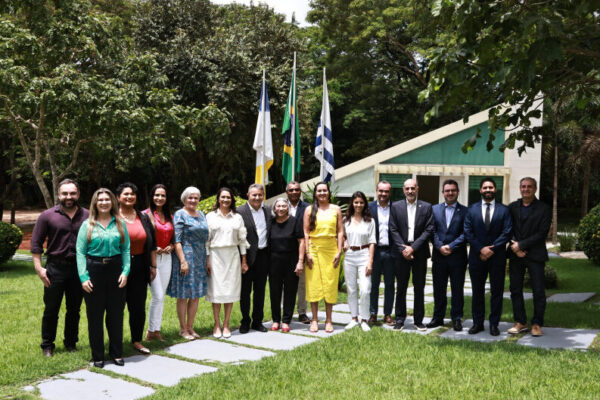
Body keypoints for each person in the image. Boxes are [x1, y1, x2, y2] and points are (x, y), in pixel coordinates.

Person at [31, 179, 89, 357]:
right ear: (58, 195)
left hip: (78, 269)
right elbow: (36, 244)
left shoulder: (87, 215)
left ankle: (71, 343)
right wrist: (39, 269)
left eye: (72, 193)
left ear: (78, 194)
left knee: (74, 309)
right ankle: (47, 345)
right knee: (51, 309)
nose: (69, 197)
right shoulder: (47, 216)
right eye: (65, 193)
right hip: (55, 269)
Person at [76, 188, 130, 368]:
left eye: (107, 199)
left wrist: (125, 272)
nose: (104, 202)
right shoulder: (87, 225)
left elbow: (126, 250)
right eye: (101, 200)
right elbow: (80, 252)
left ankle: (116, 353)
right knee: (95, 315)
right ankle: (98, 355)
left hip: (115, 271)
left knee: (116, 315)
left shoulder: (120, 223)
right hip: (94, 270)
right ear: (95, 203)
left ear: (112, 202)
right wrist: (84, 277)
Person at [464, 177, 512, 336]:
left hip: (497, 257)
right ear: (480, 190)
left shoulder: (504, 210)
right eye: (485, 188)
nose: (488, 190)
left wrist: (492, 249)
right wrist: (481, 249)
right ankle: (477, 323)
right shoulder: (471, 210)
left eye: (491, 187)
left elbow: (507, 232)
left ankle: (494, 324)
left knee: (496, 292)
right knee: (477, 291)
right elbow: (468, 232)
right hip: (477, 258)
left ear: (495, 190)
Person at [507, 177, 551, 337]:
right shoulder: (512, 207)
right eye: (523, 186)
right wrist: (516, 248)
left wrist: (522, 245)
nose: (526, 189)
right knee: (515, 289)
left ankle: (537, 324)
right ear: (520, 188)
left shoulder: (544, 209)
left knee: (538, 291)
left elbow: (542, 233)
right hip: (515, 255)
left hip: (536, 255)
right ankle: (520, 322)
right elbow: (507, 228)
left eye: (529, 186)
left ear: (535, 188)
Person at [116, 182, 157, 354]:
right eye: (126, 194)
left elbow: (152, 243)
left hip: (140, 265)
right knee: (116, 306)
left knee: (138, 306)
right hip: (117, 266)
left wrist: (153, 266)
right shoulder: (112, 217)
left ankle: (137, 340)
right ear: (118, 197)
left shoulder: (143, 217)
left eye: (132, 194)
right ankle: (115, 342)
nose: (129, 197)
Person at [389, 178, 434, 331]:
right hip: (401, 253)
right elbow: (393, 229)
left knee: (419, 287)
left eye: (412, 188)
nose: (410, 191)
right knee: (401, 287)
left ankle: (418, 320)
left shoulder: (427, 207)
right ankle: (400, 320)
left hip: (419, 253)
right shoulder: (395, 207)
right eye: (407, 188)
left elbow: (428, 230)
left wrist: (413, 248)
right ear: (403, 190)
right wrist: (404, 249)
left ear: (417, 189)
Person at [206, 187, 249, 338]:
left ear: (232, 200)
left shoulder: (237, 217)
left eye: (228, 197)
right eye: (223, 197)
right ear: (218, 199)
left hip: (232, 256)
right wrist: (207, 260)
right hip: (215, 256)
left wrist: (244, 261)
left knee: (230, 291)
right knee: (216, 292)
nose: (225, 200)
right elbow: (206, 241)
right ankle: (216, 324)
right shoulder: (210, 217)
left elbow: (242, 240)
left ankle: (226, 324)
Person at [167, 186, 209, 340]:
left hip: (200, 256)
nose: (193, 200)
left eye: (196, 198)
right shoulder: (180, 214)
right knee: (184, 294)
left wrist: (206, 260)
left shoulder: (202, 214)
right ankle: (182, 329)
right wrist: (183, 261)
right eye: (190, 197)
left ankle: (191, 327)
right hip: (185, 255)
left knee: (196, 294)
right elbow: (177, 240)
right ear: (184, 199)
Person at [303, 182, 344, 333]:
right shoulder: (309, 210)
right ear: (315, 193)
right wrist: (307, 252)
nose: (322, 193)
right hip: (313, 249)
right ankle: (314, 320)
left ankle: (328, 320)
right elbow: (306, 232)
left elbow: (340, 231)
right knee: (313, 284)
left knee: (330, 284)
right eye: (319, 191)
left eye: (324, 190)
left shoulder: (336, 209)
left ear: (328, 192)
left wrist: (339, 251)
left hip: (331, 249)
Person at [428, 179, 468, 331]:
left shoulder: (466, 211)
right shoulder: (434, 210)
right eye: (447, 190)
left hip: (457, 257)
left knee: (457, 289)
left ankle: (456, 318)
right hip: (439, 257)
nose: (450, 193)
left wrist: (451, 246)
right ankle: (438, 318)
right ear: (443, 192)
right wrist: (439, 246)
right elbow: (431, 231)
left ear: (458, 192)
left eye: (453, 190)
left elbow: (466, 233)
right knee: (439, 289)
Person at [238, 184, 272, 333]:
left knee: (260, 291)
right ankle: (245, 321)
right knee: (245, 291)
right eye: (254, 195)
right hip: (246, 257)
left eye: (260, 195)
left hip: (264, 256)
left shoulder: (268, 211)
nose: (257, 198)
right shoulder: (239, 212)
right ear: (248, 195)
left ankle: (257, 321)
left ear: (263, 195)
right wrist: (241, 260)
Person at [268, 198, 305, 332]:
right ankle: (276, 320)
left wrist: (300, 261)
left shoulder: (295, 221)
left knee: (290, 291)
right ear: (274, 208)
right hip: (273, 262)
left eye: (284, 206)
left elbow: (301, 242)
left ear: (288, 208)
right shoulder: (270, 222)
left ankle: (286, 321)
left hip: (291, 260)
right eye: (279, 206)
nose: (281, 208)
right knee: (274, 292)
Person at [144, 184, 174, 342]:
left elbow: (175, 237)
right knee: (158, 295)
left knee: (161, 297)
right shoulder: (145, 215)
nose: (159, 198)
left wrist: (172, 245)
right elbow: (143, 237)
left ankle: (157, 330)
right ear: (152, 196)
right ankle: (150, 331)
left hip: (167, 259)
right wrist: (154, 247)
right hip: (152, 259)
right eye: (157, 195)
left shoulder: (170, 215)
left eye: (163, 195)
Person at [343, 191, 376, 332]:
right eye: (356, 202)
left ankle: (364, 319)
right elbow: (340, 235)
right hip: (349, 255)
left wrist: (370, 262)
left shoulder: (370, 220)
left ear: (365, 204)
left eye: (361, 202)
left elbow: (372, 242)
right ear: (352, 203)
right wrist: (344, 241)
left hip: (364, 255)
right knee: (351, 289)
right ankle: (354, 318)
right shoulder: (346, 219)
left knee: (365, 289)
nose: (358, 205)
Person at [368, 180, 396, 326]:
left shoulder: (396, 208)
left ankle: (387, 314)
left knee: (390, 285)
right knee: (374, 284)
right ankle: (373, 313)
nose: (383, 194)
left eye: (386, 191)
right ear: (377, 191)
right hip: (375, 252)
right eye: (381, 191)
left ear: (390, 192)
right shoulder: (369, 207)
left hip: (391, 252)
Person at [286, 181, 311, 324]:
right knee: (285, 283)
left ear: (300, 191)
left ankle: (302, 312)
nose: (294, 192)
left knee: (302, 284)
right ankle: (286, 312)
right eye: (291, 190)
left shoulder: (308, 207)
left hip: (303, 249)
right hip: (285, 250)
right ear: (286, 192)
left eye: (297, 190)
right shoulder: (280, 206)